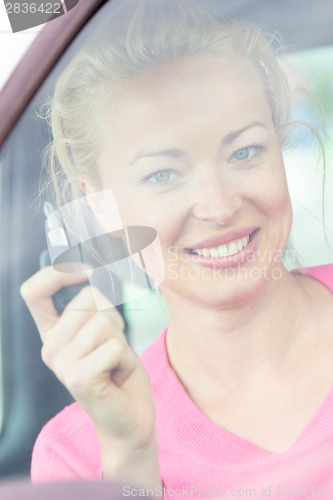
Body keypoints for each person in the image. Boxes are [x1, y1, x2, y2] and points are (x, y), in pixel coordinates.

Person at [20, 0, 333, 497]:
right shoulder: (77, 455)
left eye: (245, 151)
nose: (219, 206)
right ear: (99, 206)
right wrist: (132, 457)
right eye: (162, 174)